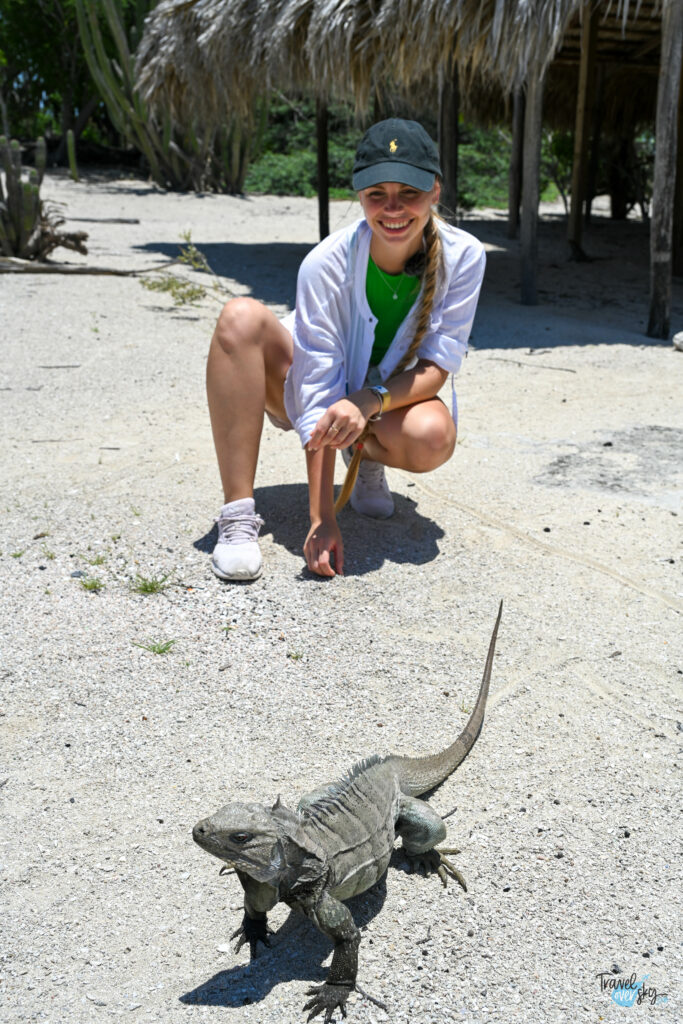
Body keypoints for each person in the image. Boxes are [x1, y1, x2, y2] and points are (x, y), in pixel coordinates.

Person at [206, 118, 485, 581]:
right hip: (293, 383)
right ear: (358, 195)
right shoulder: (325, 264)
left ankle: (365, 455)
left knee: (433, 436)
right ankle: (237, 516)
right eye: (377, 193)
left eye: (409, 192)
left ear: (435, 190)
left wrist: (366, 401)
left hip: (381, 401)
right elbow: (316, 388)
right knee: (239, 316)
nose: (392, 209)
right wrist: (322, 518)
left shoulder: (465, 256)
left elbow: (438, 366)